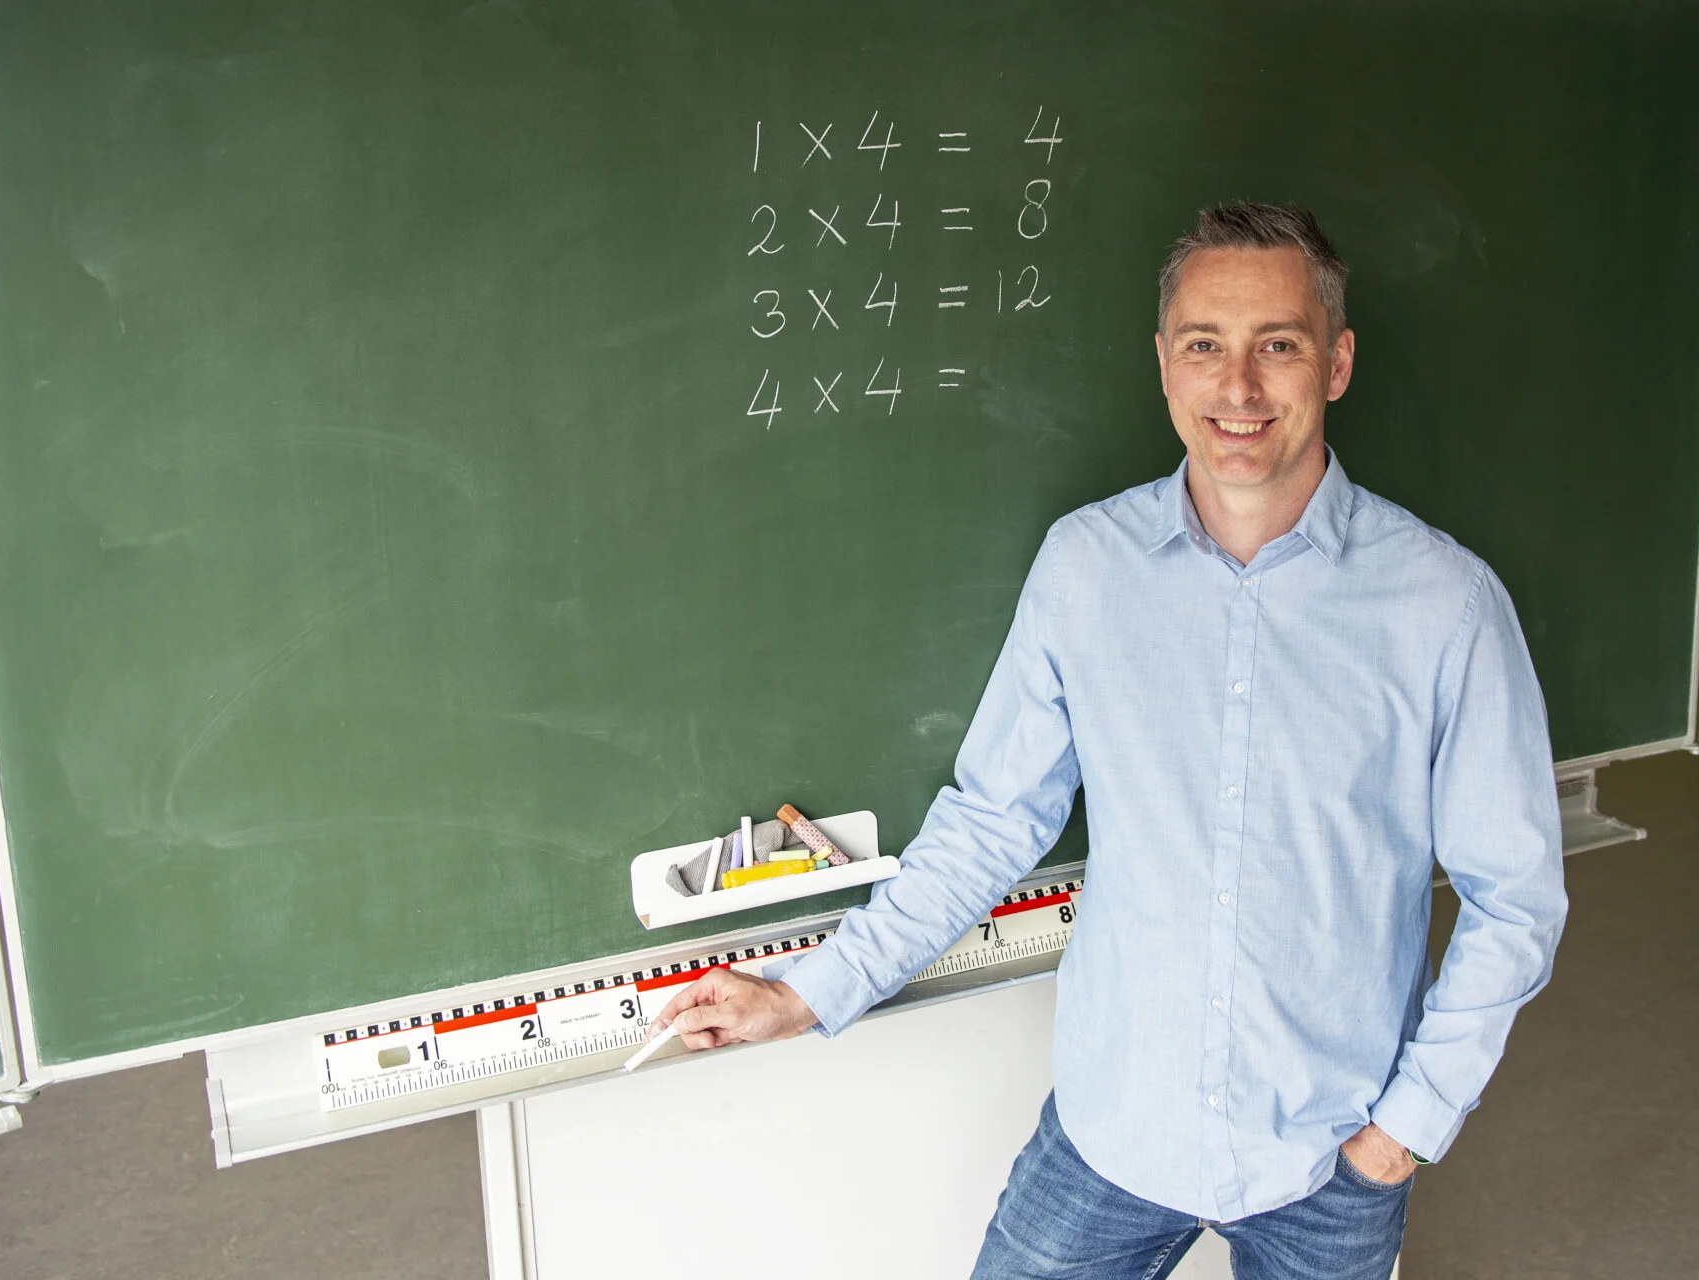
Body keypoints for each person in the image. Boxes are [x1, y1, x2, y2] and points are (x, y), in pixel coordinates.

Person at [652, 202, 1568, 1278]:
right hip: (1113, 1128)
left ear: (1337, 363)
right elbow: (994, 818)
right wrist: (811, 989)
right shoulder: (1085, 569)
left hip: (1332, 1151)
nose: (1238, 388)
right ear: (1164, 365)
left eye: (1277, 344)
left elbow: (1517, 899)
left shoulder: (1443, 605)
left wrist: (1404, 1128)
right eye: (1203, 346)